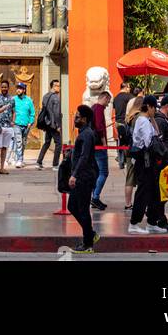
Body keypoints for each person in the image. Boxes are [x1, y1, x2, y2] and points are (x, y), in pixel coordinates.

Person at [128, 94, 163, 234]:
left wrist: (152, 117)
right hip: (144, 162)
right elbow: (150, 142)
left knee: (154, 192)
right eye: (154, 108)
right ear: (148, 106)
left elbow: (157, 133)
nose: (155, 110)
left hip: (148, 162)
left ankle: (152, 222)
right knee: (143, 192)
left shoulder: (146, 120)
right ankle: (134, 223)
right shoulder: (142, 121)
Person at [68, 104, 99, 252]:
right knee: (72, 206)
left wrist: (74, 175)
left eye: (78, 117)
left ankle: (88, 244)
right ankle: (90, 234)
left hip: (84, 177)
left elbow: (85, 156)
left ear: (85, 119)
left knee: (82, 209)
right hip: (81, 176)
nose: (75, 119)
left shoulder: (87, 134)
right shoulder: (83, 132)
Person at [151, 96, 168, 232]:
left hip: (166, 162)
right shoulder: (160, 121)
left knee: (163, 192)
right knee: (160, 193)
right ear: (167, 106)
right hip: (162, 163)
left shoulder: (163, 120)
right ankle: (159, 219)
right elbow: (158, 142)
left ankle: (156, 217)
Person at [90, 91, 111, 210]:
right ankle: (95, 197)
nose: (108, 104)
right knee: (104, 172)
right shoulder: (98, 108)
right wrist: (104, 142)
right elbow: (99, 126)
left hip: (94, 145)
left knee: (97, 172)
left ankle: (95, 197)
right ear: (104, 97)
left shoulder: (93, 107)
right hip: (99, 145)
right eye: (108, 101)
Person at [36, 79, 63, 169]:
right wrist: (58, 125)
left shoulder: (45, 96)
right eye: (58, 86)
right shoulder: (56, 97)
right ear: (54, 86)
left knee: (47, 143)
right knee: (58, 143)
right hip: (53, 124)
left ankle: (39, 162)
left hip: (47, 123)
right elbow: (56, 113)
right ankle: (55, 165)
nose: (59, 88)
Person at [0, 80, 15, 175]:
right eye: (2, 87)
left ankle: (2, 168)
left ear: (8, 88)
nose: (4, 88)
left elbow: (14, 111)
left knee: (4, 147)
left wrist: (13, 121)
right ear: (0, 88)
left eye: (6, 87)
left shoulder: (12, 99)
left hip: (8, 126)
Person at [12, 81, 36, 168]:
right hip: (16, 124)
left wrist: (30, 122)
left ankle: (20, 158)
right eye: (17, 88)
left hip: (26, 125)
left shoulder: (29, 100)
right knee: (18, 142)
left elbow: (32, 113)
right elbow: (10, 111)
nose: (18, 90)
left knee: (23, 143)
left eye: (20, 88)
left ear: (24, 90)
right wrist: (12, 121)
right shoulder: (13, 99)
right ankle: (19, 160)